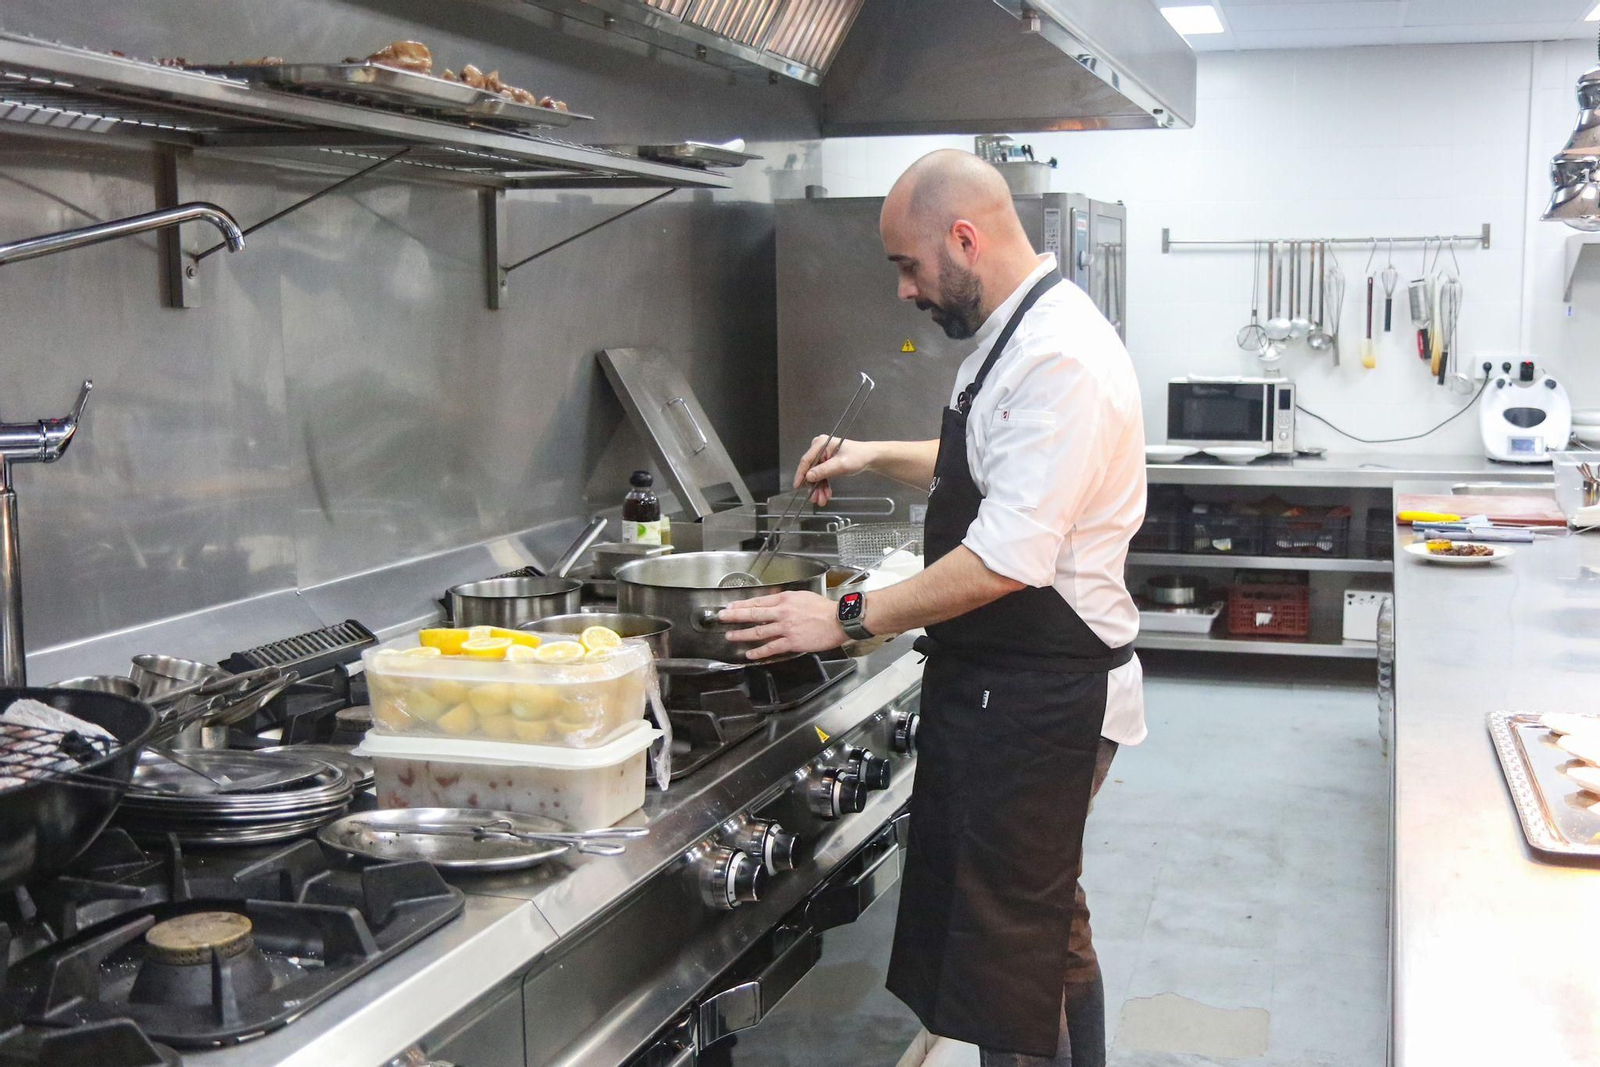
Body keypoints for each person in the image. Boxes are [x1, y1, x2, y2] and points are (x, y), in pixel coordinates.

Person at [719, 149, 1146, 1067]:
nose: (905, 291)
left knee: (1010, 955)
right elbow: (987, 464)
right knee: (1041, 926)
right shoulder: (1014, 333)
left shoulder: (1061, 356)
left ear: (964, 238)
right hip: (1007, 685)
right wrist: (871, 453)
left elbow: (1006, 558)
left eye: (908, 266)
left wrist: (843, 614)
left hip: (1046, 697)